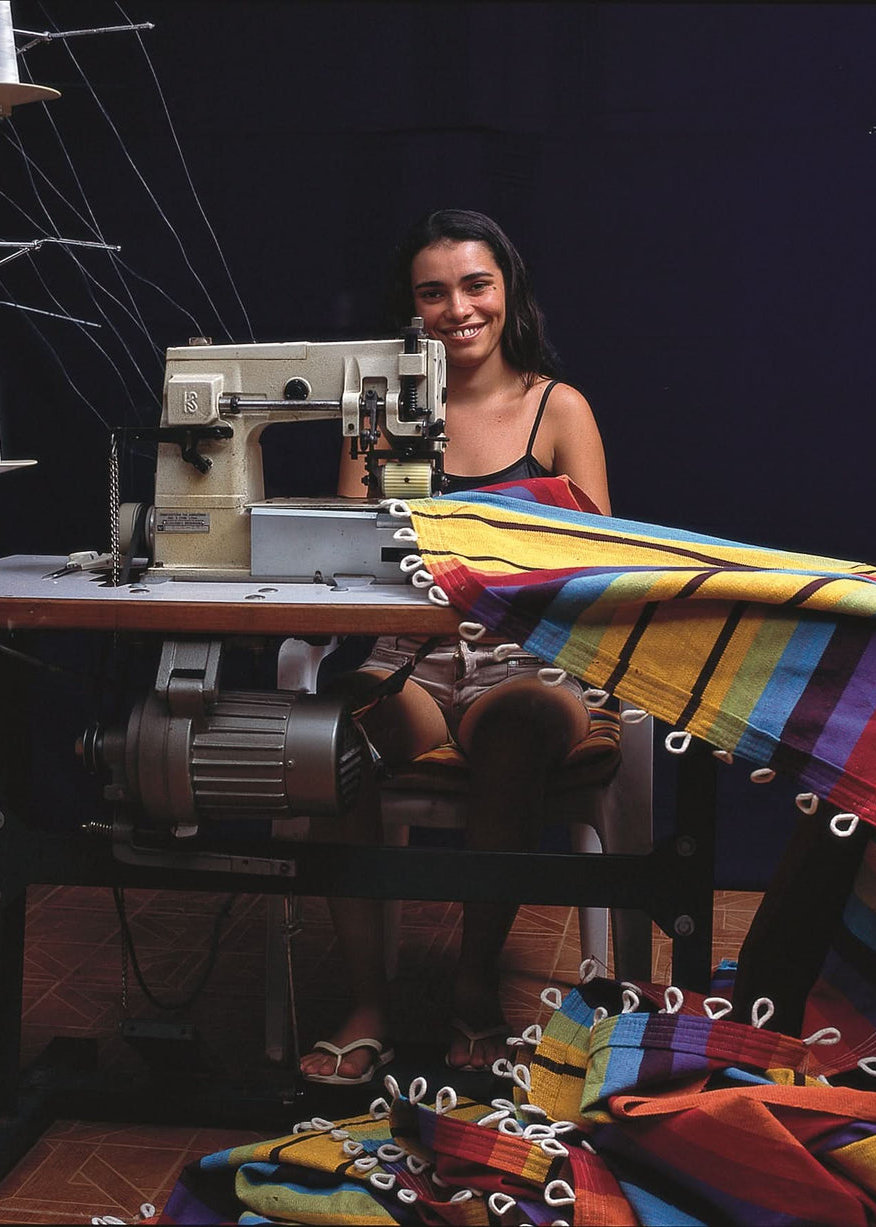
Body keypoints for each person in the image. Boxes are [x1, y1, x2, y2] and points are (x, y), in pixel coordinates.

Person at [299, 209, 611, 1084]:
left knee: (515, 733)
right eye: (433, 293)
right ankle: (369, 1000)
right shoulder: (379, 410)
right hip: (410, 659)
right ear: (412, 309)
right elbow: (350, 551)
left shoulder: (557, 408)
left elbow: (603, 568)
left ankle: (475, 986)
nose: (458, 309)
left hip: (525, 661)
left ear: (509, 290)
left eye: (476, 285)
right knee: (334, 731)